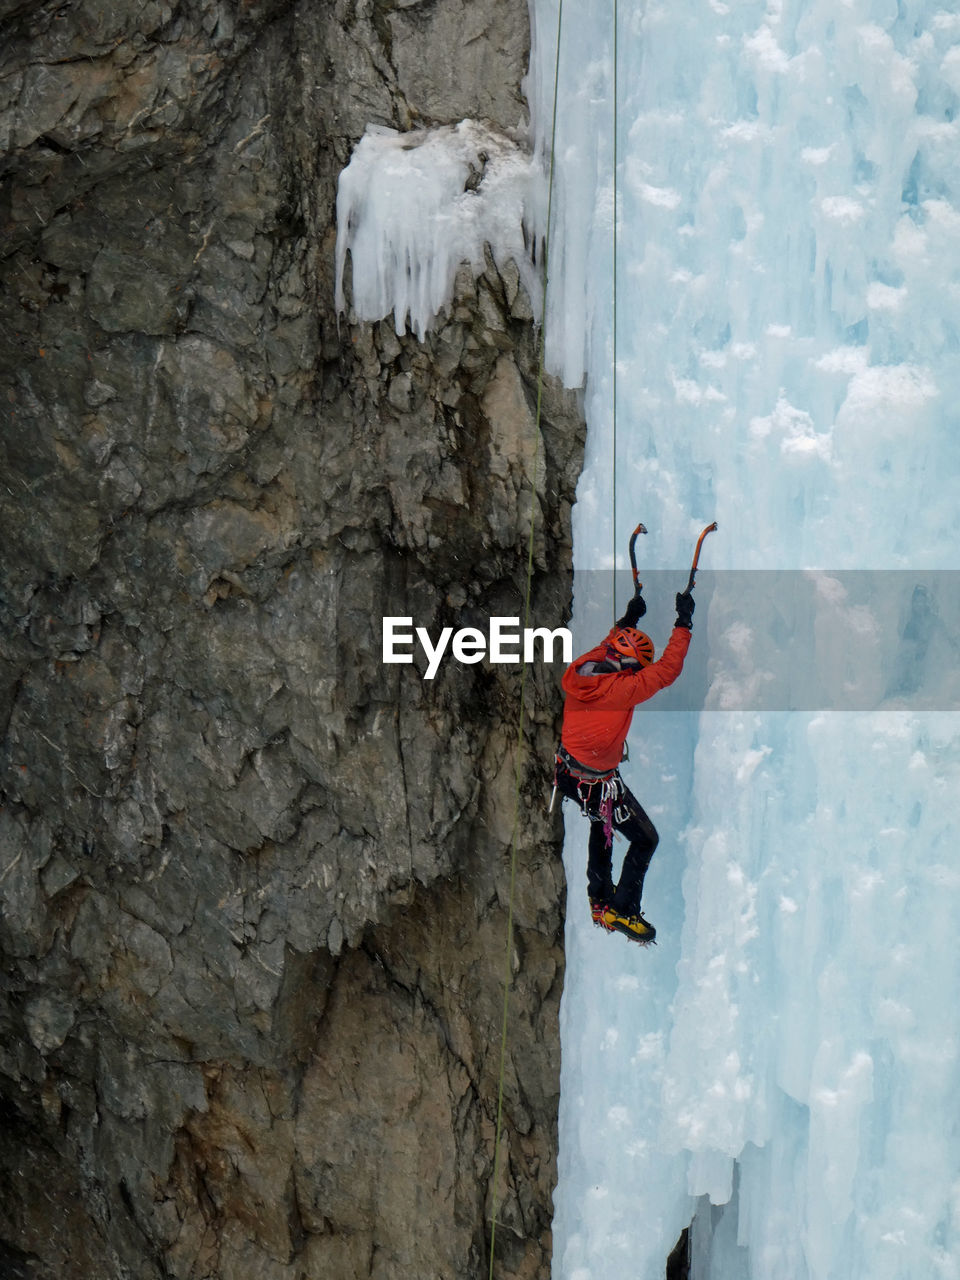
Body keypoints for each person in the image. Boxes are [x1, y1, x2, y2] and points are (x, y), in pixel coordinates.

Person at [555, 586, 695, 944]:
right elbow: (665, 671)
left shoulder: (585, 669)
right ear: (630, 666)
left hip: (570, 773)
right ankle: (623, 908)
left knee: (602, 822)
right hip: (595, 779)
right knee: (645, 839)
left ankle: (600, 900)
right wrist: (684, 622)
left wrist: (628, 620)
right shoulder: (622, 688)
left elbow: (609, 644)